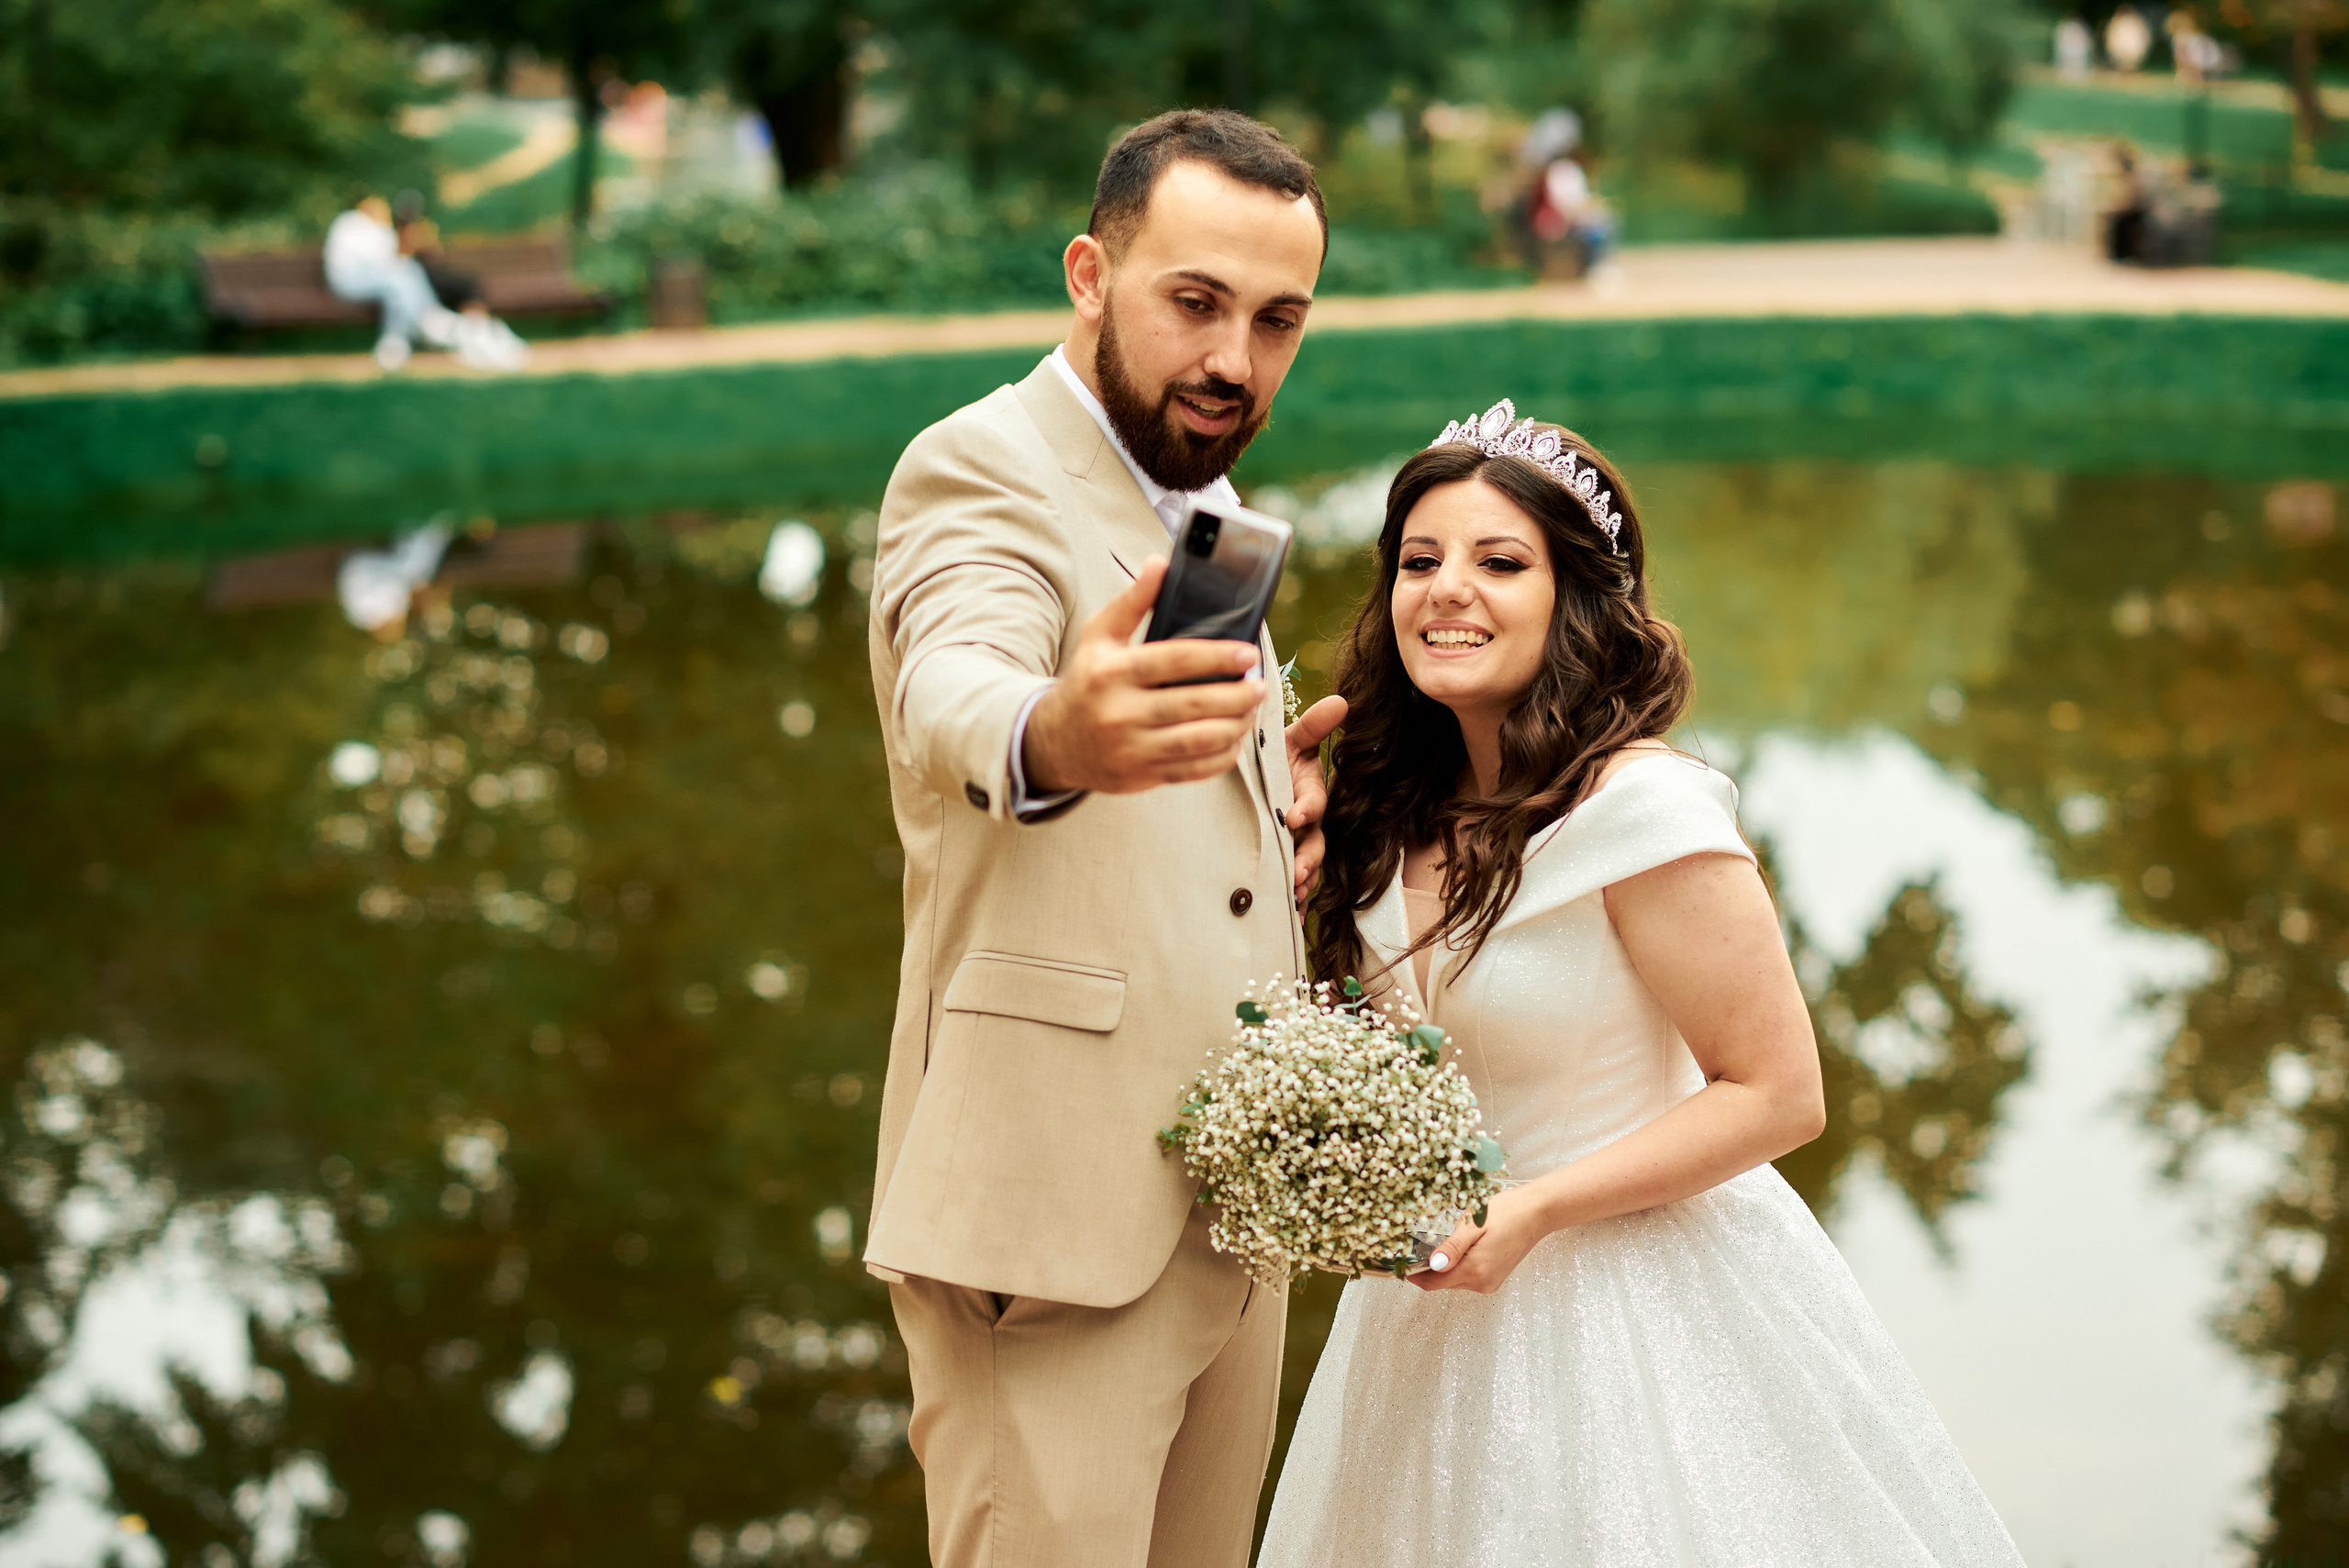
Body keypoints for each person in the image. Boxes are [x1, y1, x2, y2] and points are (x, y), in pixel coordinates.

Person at [1258, 403, 2028, 1565]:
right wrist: (1278, 862)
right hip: (1422, 1319)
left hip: (1631, 1308)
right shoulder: (1380, 804)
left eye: (1499, 561)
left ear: (1575, 600)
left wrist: (1537, 1206)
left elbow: (1777, 1092)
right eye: (1420, 560)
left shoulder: (1641, 813)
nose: (1447, 590)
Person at [862, 108, 1347, 1568]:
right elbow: (963, 683)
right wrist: (1052, 734)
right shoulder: (977, 471)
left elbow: (1174, 811)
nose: (1233, 362)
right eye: (1194, 303)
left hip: (1225, 1221)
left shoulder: (1211, 511)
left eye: (1277, 322)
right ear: (1090, 273)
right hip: (1050, 1233)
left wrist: (1278, 816)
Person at [322, 194, 527, 373]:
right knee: (401, 279)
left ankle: (412, 334)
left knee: (408, 276)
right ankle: (427, 329)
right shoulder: (352, 223)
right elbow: (383, 260)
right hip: (351, 283)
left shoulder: (378, 229)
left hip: (389, 282)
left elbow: (403, 258)